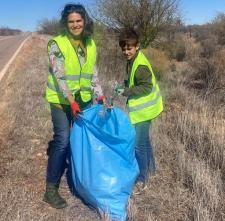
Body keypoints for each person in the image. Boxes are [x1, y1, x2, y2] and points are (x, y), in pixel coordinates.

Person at [43, 3, 105, 209]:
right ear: (65, 23)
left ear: (85, 21)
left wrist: (100, 94)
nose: (76, 24)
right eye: (71, 21)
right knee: (62, 139)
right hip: (62, 100)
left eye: (79, 20)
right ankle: (50, 189)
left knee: (82, 139)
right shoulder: (56, 43)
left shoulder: (90, 43)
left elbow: (92, 72)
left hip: (84, 98)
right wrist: (71, 101)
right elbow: (60, 75)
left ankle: (83, 179)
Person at [115, 29, 163, 195]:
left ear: (137, 46)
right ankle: (151, 170)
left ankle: (142, 180)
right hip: (145, 110)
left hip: (145, 112)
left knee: (138, 145)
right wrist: (125, 85)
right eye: (123, 48)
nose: (126, 51)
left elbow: (146, 86)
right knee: (145, 141)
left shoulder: (140, 64)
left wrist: (126, 91)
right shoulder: (133, 60)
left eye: (129, 48)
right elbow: (134, 80)